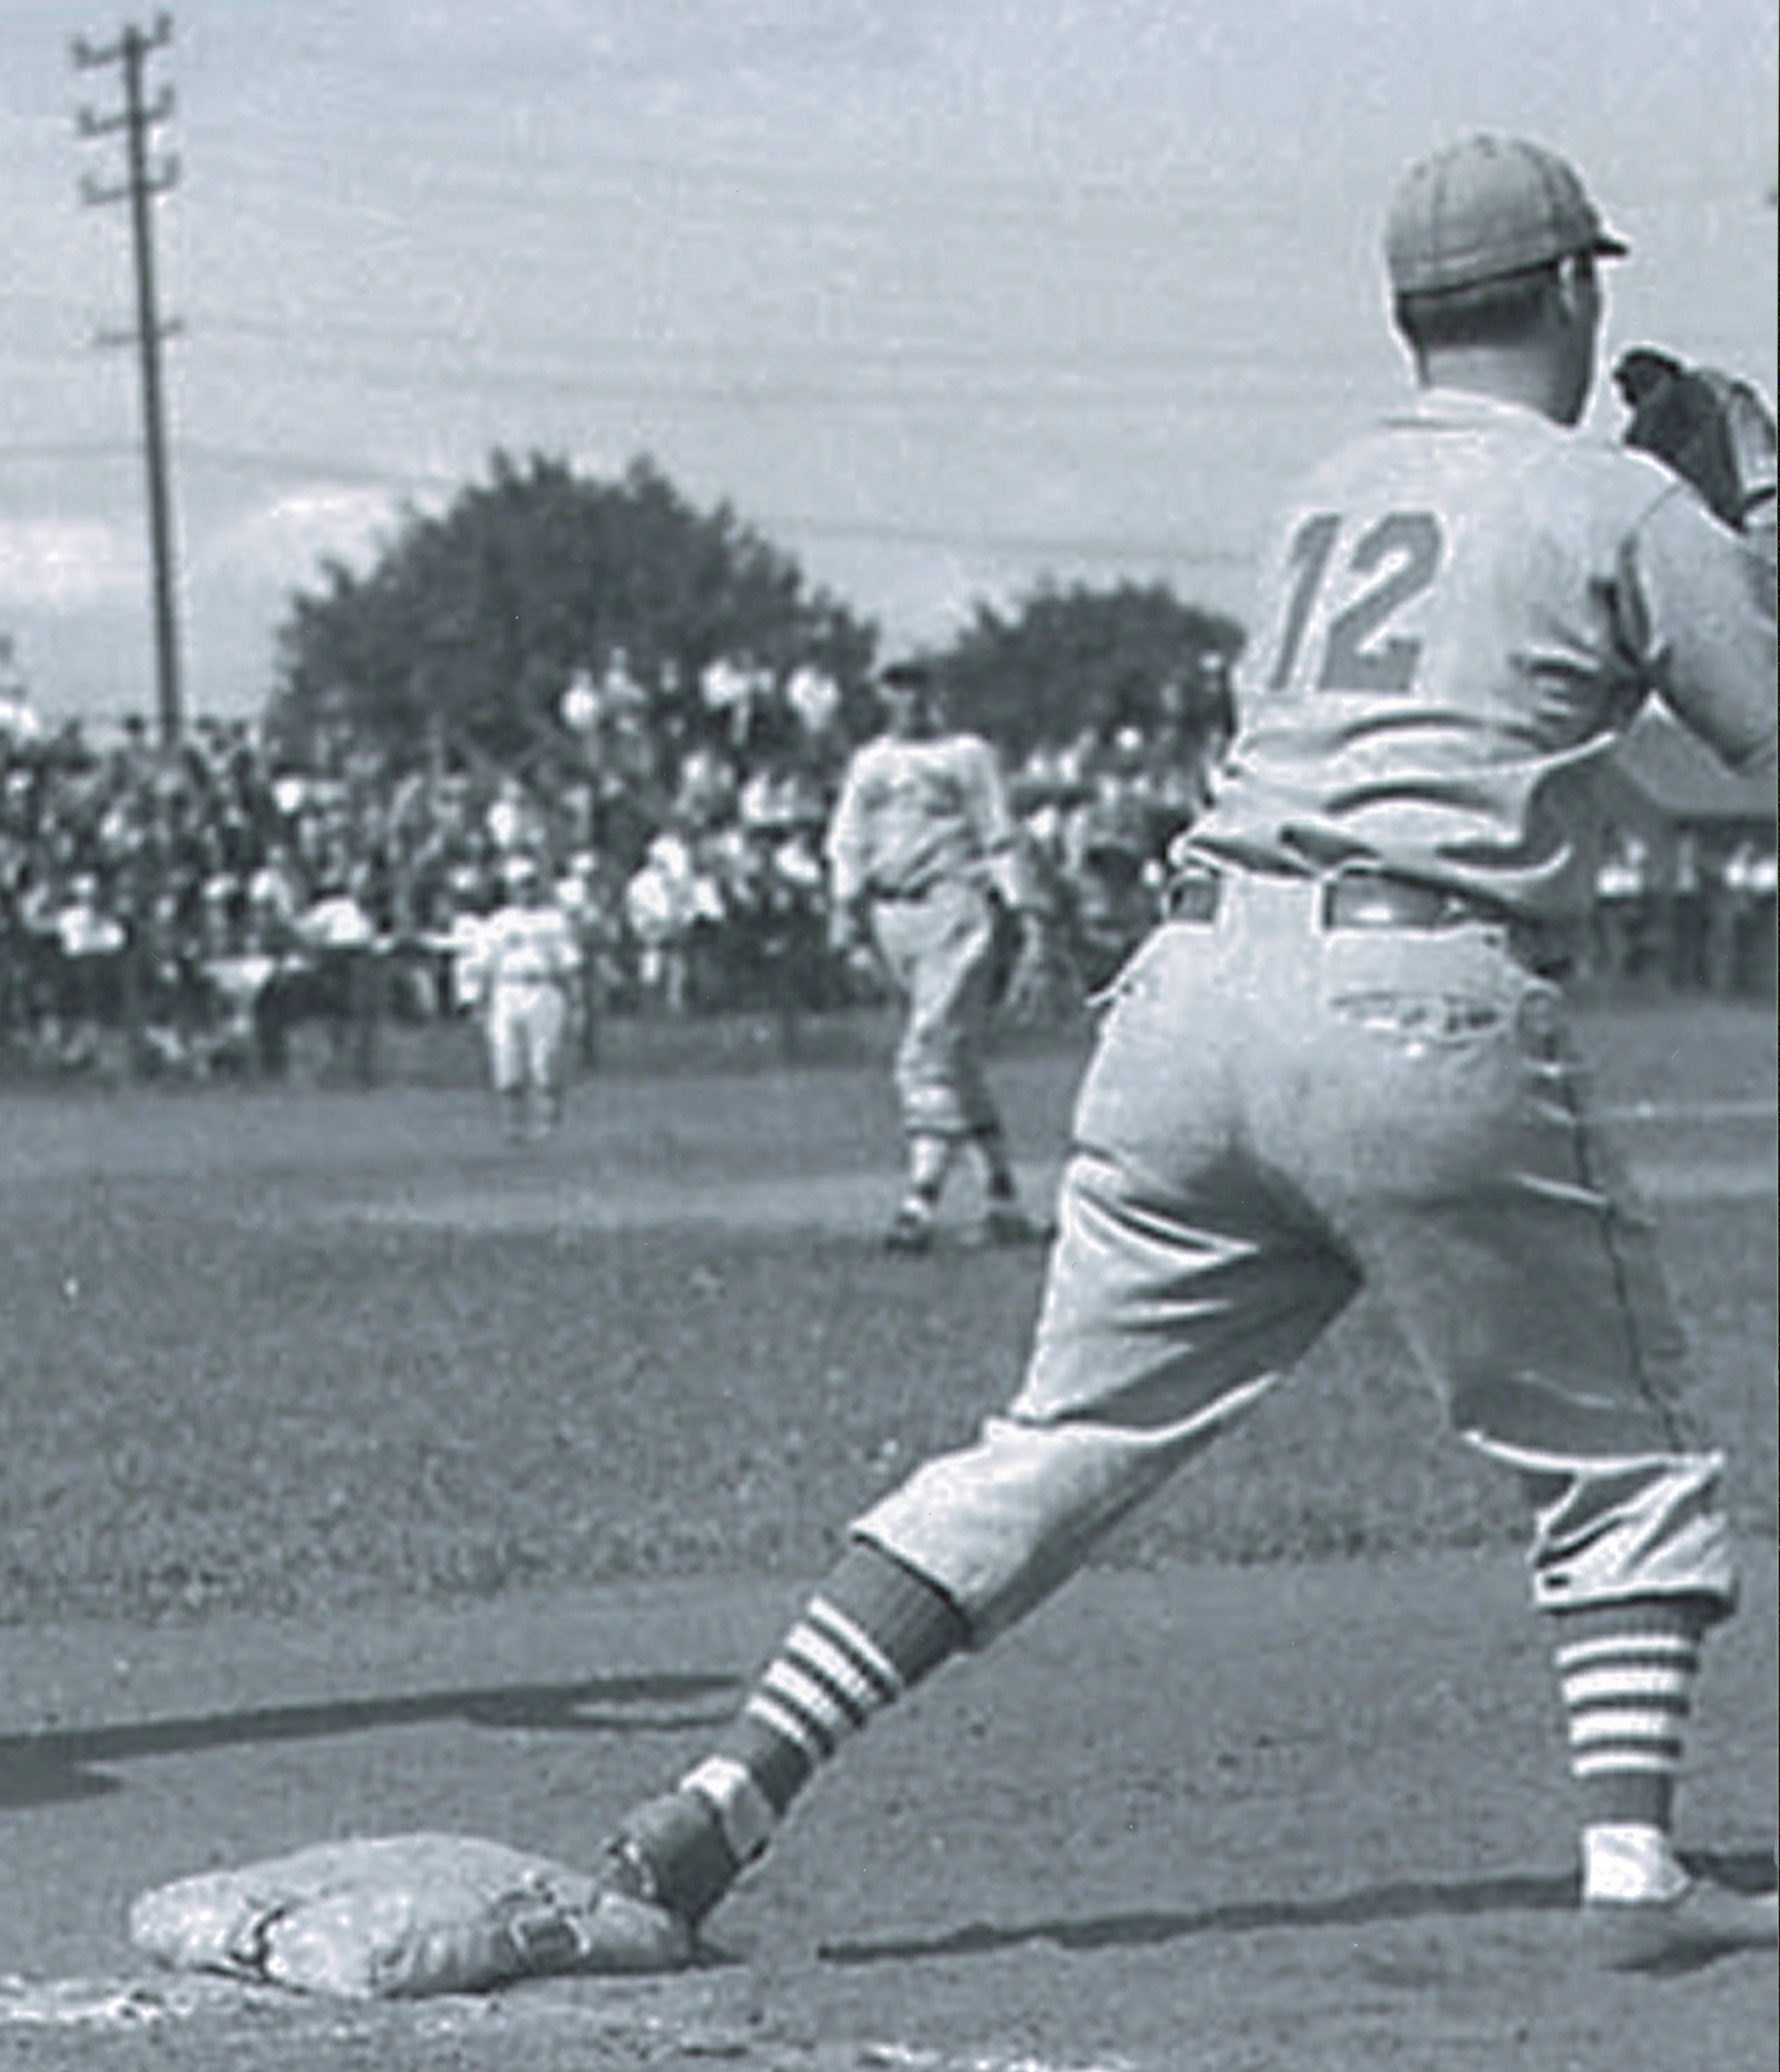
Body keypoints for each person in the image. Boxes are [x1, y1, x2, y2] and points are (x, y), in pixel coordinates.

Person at [603, 135, 1777, 1974]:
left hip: (1184, 1000)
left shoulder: (1313, 495)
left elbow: (1474, 645)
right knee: (1613, 1450)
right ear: (1571, 290)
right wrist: (1744, 525)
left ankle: (726, 1787)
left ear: (1408, 311)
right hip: (1413, 996)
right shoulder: (1627, 505)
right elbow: (1752, 735)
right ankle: (1632, 1861)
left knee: (1052, 1440)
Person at [822, 659, 1051, 1252]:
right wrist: (844, 911)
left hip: (955, 905)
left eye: (918, 683)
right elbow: (847, 841)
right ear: (880, 693)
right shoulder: (869, 762)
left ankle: (917, 1206)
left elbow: (998, 835)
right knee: (955, 1061)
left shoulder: (966, 754)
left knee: (926, 1052)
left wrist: (1027, 916)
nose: (909, 697)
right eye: (896, 684)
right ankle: (1001, 1200)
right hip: (890, 912)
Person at [455, 850, 583, 1141]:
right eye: (519, 885)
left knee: (545, 1059)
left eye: (530, 884)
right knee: (506, 1057)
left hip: (543, 987)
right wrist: (477, 1001)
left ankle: (547, 1124)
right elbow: (483, 965)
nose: (525, 891)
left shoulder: (554, 921)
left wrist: (576, 1001)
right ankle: (512, 1124)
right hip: (507, 990)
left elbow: (569, 963)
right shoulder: (498, 923)